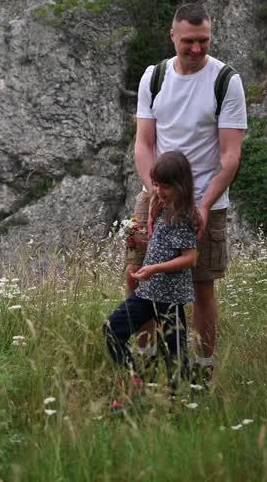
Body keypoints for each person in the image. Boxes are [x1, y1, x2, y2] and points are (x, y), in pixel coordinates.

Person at [126, 2, 247, 382]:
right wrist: (154, 192)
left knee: (202, 284)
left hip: (205, 198)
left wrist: (205, 204)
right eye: (189, 41)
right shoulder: (154, 77)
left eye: (204, 41)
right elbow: (144, 144)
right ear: (173, 36)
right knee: (138, 275)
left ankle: (203, 369)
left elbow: (230, 156)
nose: (196, 49)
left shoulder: (226, 81)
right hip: (156, 191)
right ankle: (143, 359)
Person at [103, 151, 199, 410]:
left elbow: (190, 259)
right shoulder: (159, 206)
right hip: (148, 292)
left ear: (181, 185)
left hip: (170, 297)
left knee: (175, 358)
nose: (158, 190)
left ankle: (180, 407)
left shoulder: (186, 216)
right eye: (155, 184)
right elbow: (158, 244)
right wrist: (138, 243)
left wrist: (154, 268)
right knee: (113, 330)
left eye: (165, 186)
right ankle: (135, 383)